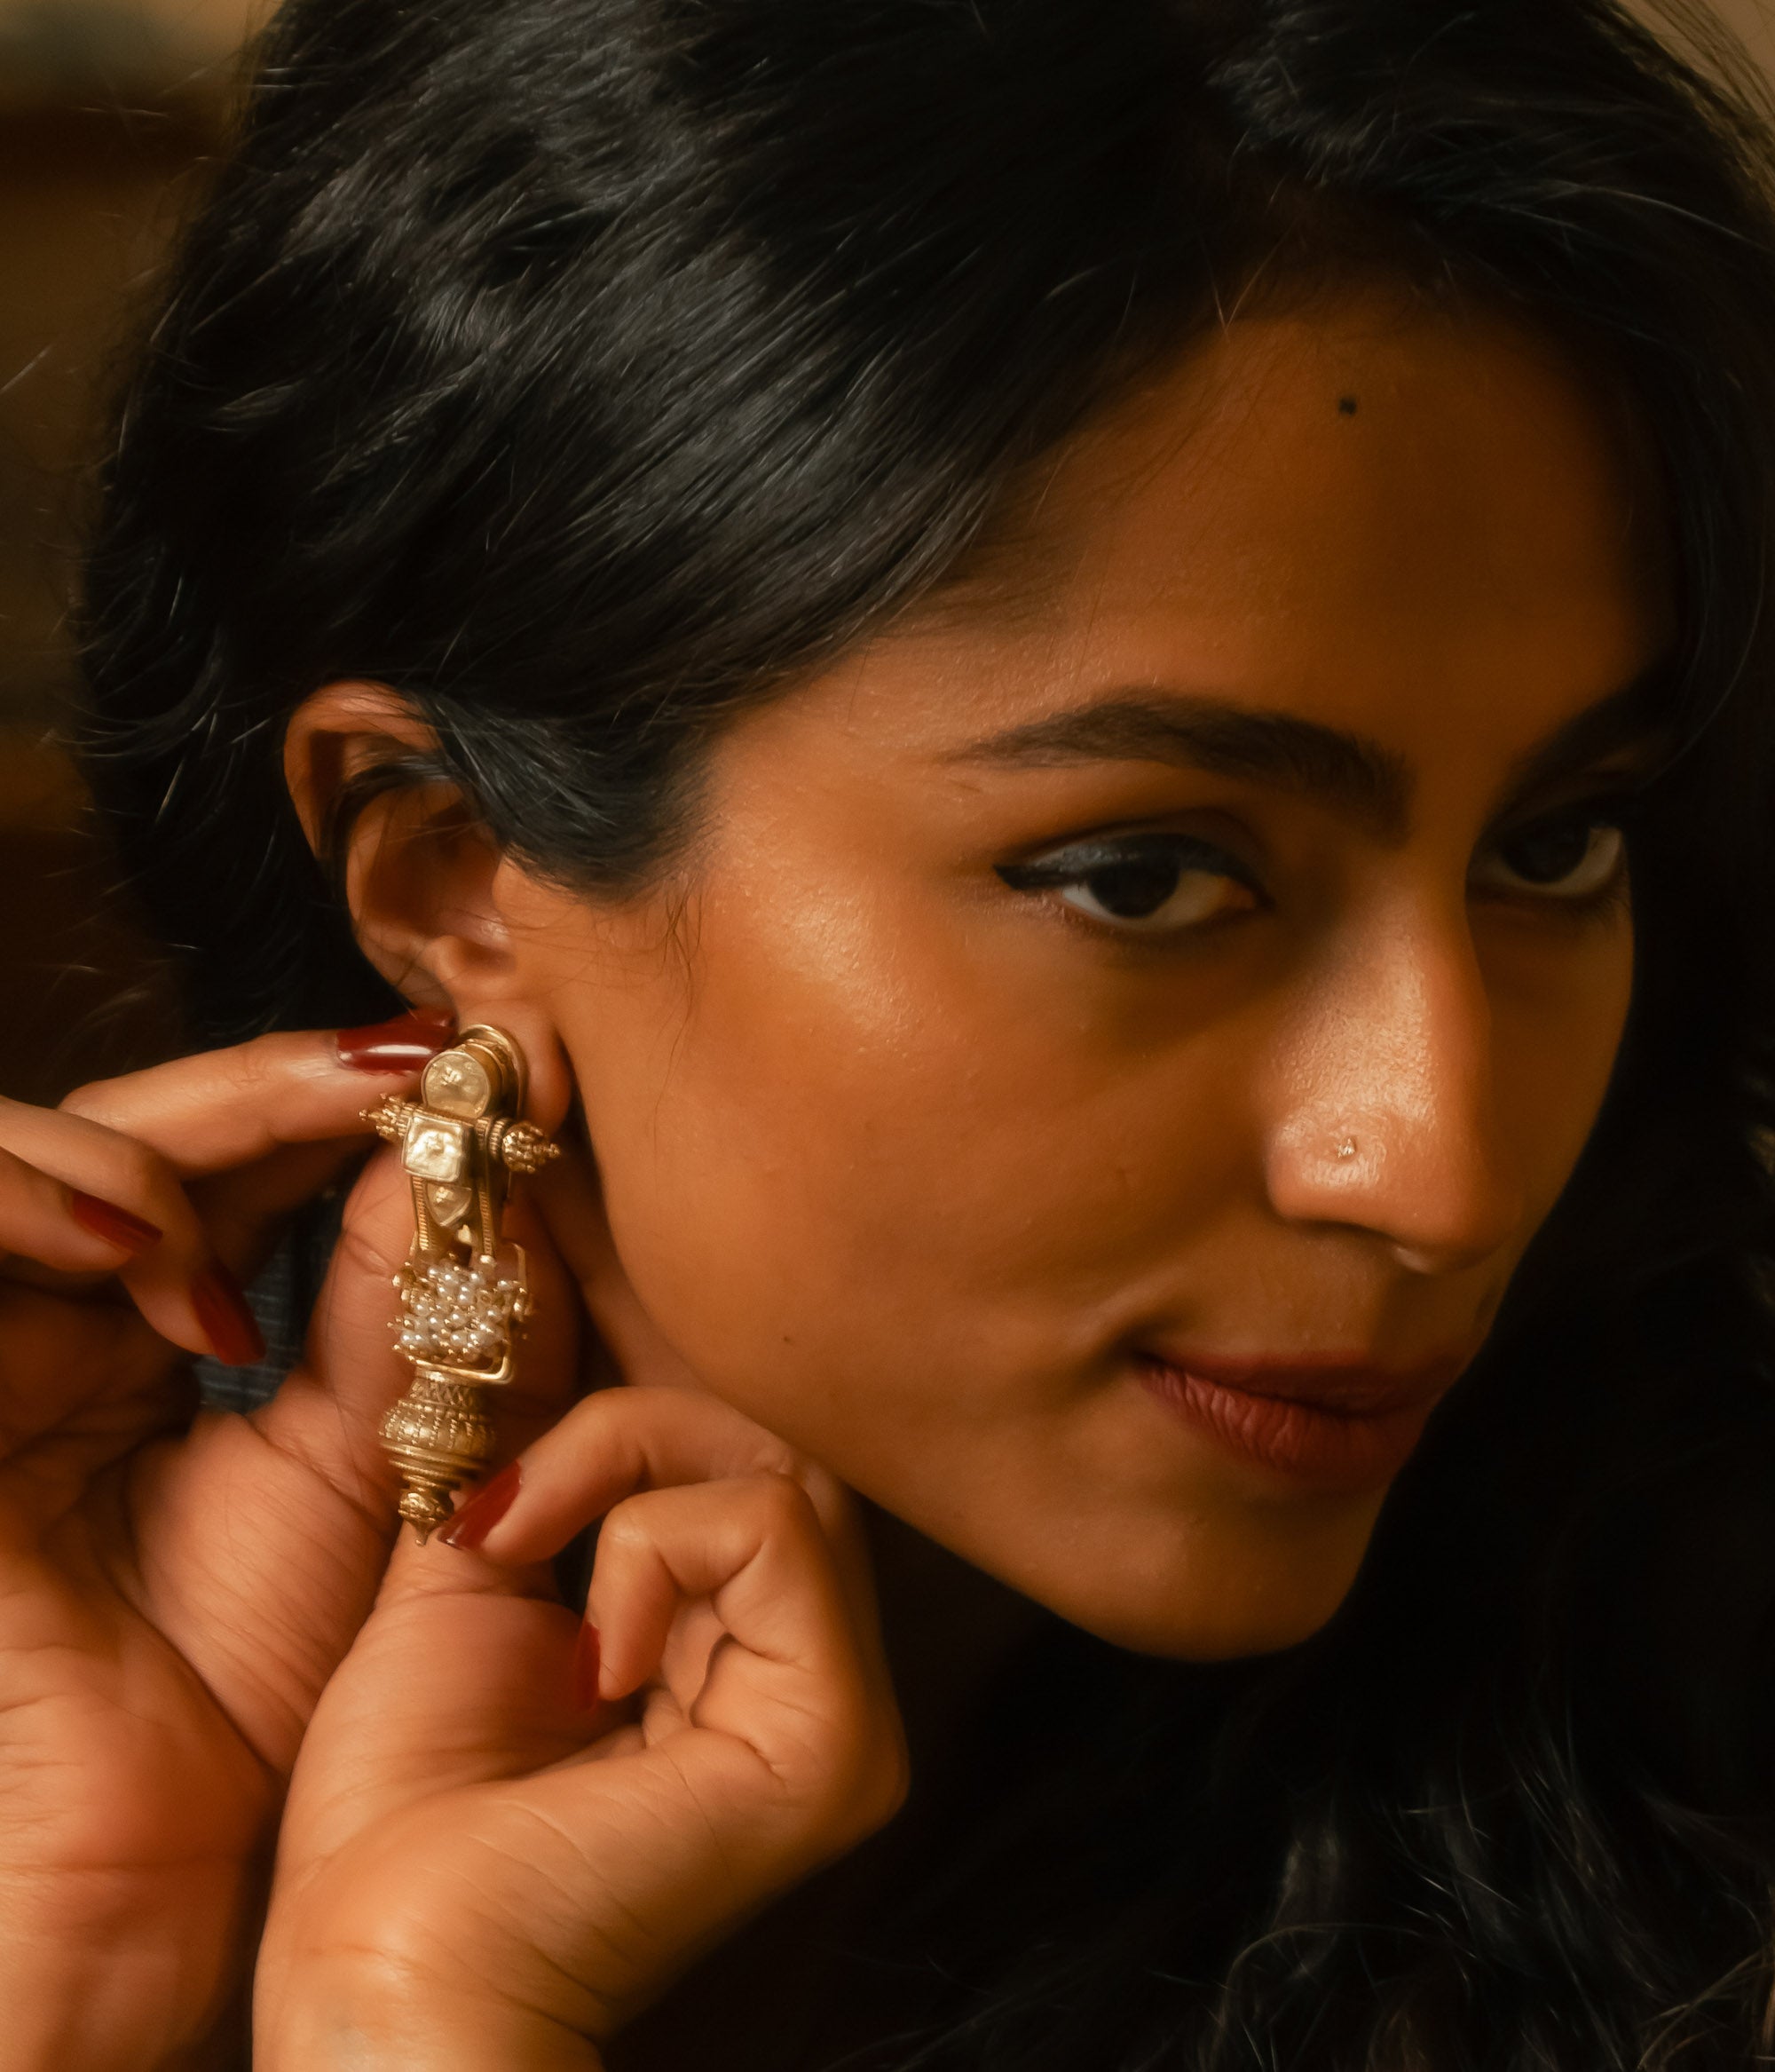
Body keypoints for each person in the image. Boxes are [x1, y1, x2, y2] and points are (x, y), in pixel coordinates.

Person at [3, 0, 1774, 2061]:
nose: (1440, 1169)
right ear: (451, 877)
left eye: (1553, 846)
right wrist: (83, 1959)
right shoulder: (62, 1688)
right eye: (1147, 878)